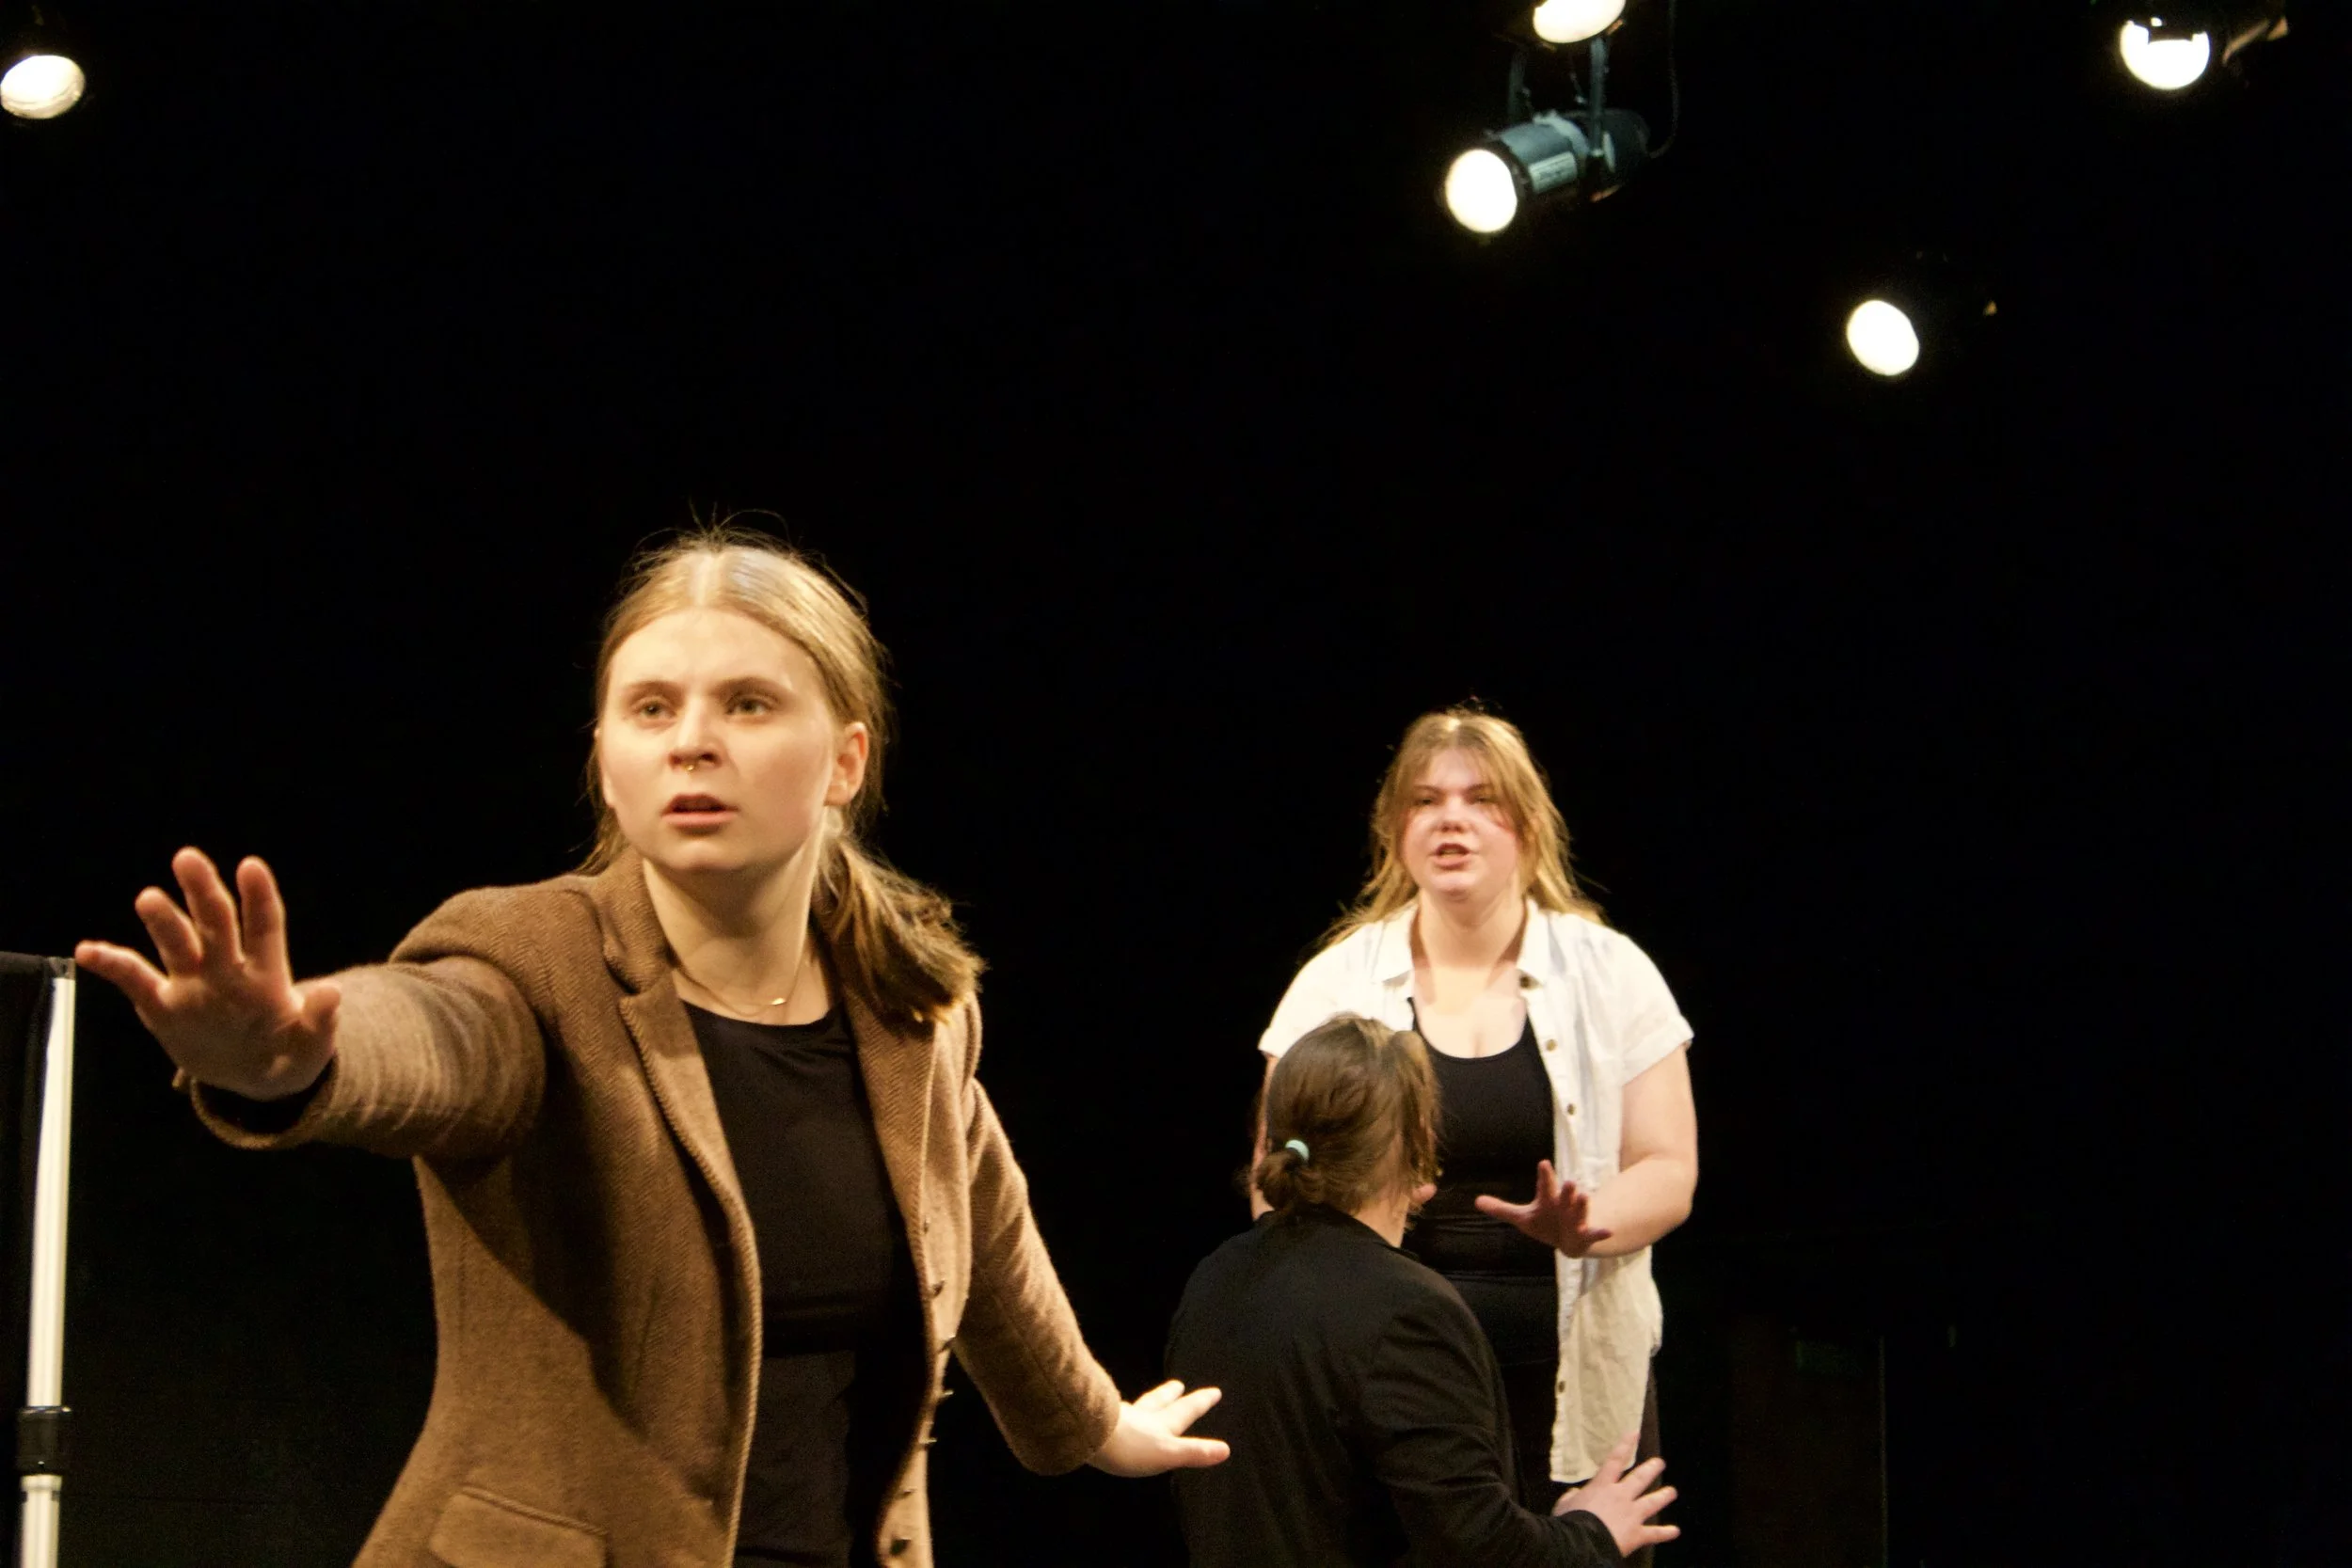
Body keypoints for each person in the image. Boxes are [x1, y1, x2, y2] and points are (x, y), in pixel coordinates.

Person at [75, 526, 1228, 1568]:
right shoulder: (533, 961)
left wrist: (1098, 1424)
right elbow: (435, 1035)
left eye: (748, 704)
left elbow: (983, 1231)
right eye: (651, 708)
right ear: (604, 759)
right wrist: (291, 1063)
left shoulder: (908, 1009)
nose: (692, 743)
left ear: (845, 761)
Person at [1251, 709, 1697, 1525]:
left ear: (1527, 823)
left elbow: (1669, 1167)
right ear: (1396, 831)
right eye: (1426, 800)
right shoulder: (1334, 985)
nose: (1450, 817)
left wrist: (1585, 1221)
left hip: (1578, 1376)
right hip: (1394, 1377)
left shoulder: (1612, 971)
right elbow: (1277, 1179)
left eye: (1480, 797)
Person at [1170, 1013, 1677, 1567]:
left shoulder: (1216, 1278)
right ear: (1421, 1146)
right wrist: (1593, 1532)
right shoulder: (1407, 1312)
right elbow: (1480, 1551)